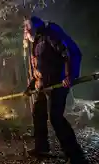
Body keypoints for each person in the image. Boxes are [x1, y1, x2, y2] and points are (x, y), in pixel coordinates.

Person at [23, 16, 88, 164]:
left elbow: (66, 53)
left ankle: (76, 156)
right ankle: (42, 148)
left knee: (56, 118)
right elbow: (39, 67)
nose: (25, 31)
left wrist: (68, 75)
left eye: (27, 27)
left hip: (58, 83)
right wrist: (31, 86)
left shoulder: (49, 35)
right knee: (38, 112)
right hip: (44, 84)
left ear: (35, 26)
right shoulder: (37, 41)